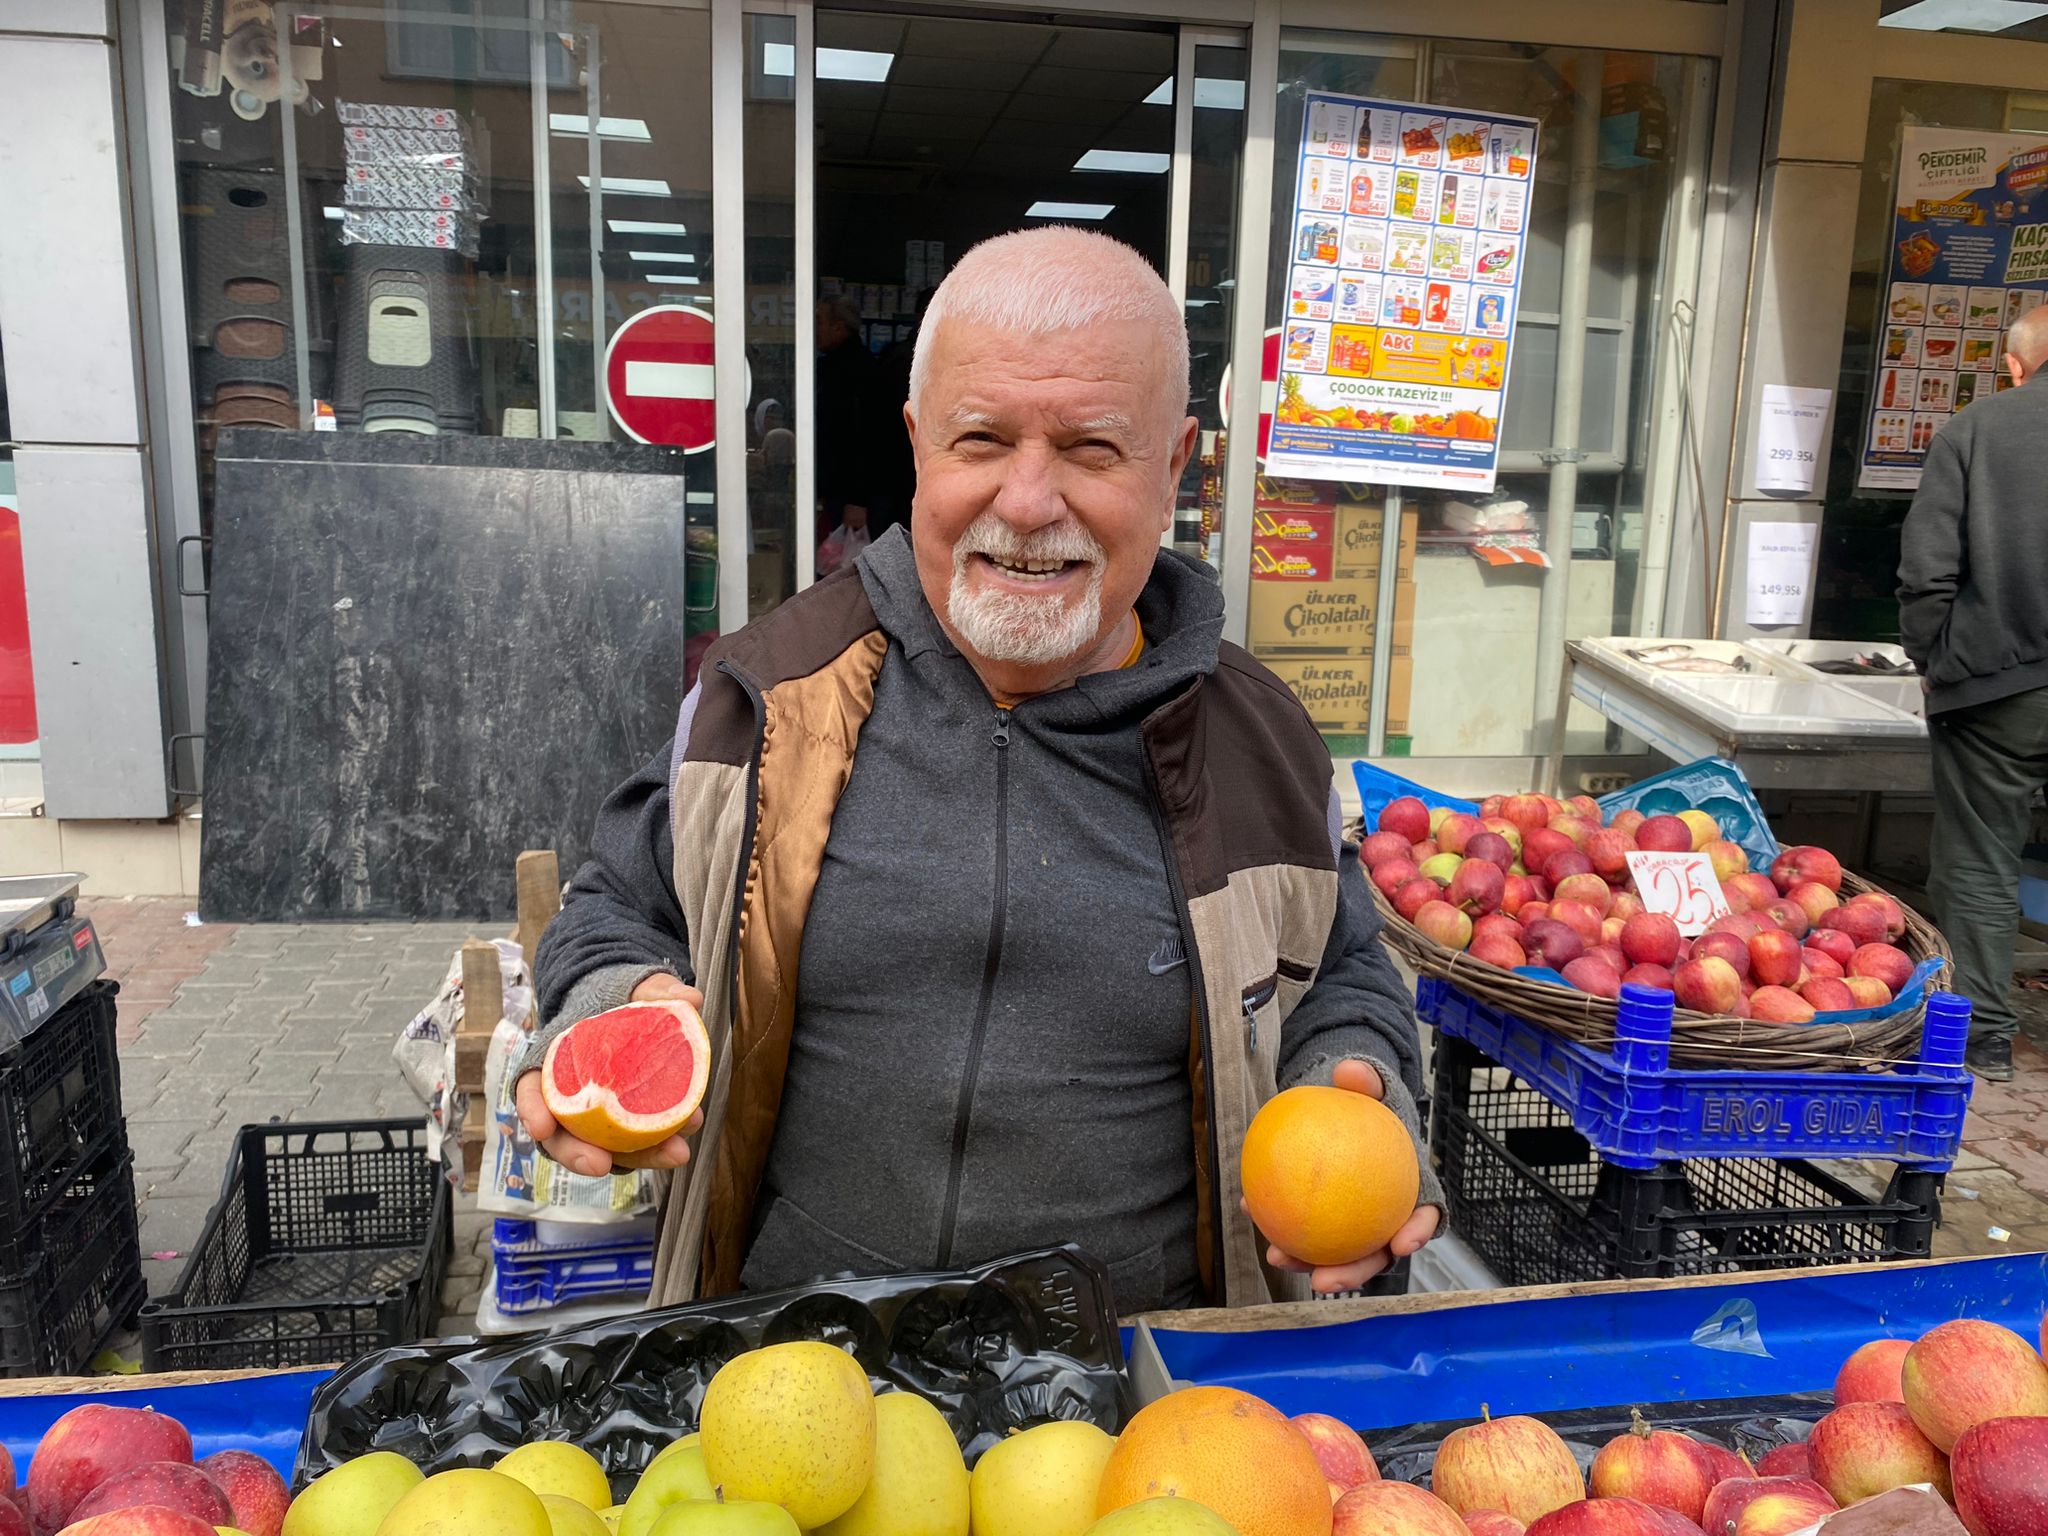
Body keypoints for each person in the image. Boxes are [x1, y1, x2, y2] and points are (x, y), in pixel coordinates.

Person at [516, 227, 1441, 1313]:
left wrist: (1363, 1087)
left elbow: (1342, 978)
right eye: (981, 440)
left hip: (1133, 1411)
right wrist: (609, 999)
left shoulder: (1259, 747)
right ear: (917, 444)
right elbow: (615, 905)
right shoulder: (766, 697)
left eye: (1092, 449)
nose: (1027, 501)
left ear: (1175, 462)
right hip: (794, 1380)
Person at [1897, 306, 2048, 1082]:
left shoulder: (1979, 429)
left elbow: (1928, 572)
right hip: (1996, 679)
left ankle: (1982, 1033)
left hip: (1997, 688)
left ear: (2018, 367)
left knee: (1981, 860)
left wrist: (1938, 659)